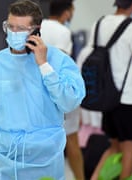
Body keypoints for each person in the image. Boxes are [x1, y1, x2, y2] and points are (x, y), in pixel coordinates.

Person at [0, 0, 86, 179]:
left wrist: (44, 66)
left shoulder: (58, 61)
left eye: (21, 29)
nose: (14, 33)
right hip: (1, 160)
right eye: (11, 26)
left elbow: (70, 102)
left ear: (36, 30)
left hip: (44, 161)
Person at [88, 0, 132, 179]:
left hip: (107, 98)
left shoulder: (99, 23)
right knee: (128, 150)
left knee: (113, 147)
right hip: (127, 99)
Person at [40, 1, 85, 180]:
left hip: (39, 92)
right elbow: (62, 64)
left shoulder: (38, 26)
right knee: (71, 139)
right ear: (66, 13)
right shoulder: (63, 32)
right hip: (59, 91)